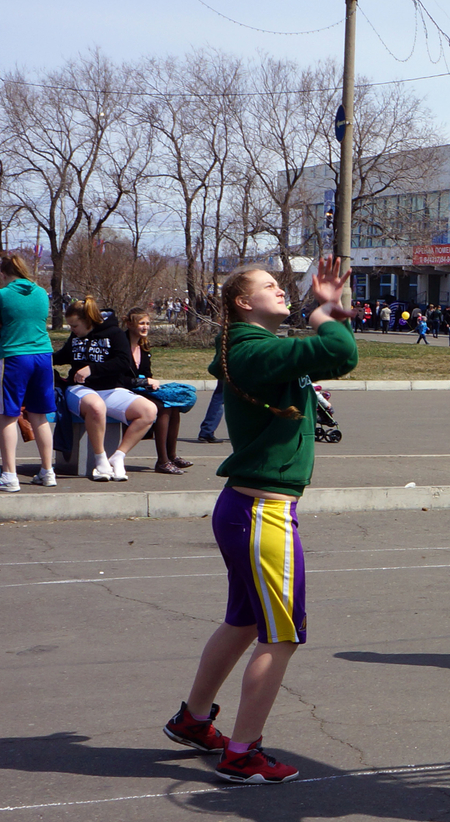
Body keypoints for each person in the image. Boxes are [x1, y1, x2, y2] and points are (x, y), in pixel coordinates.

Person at [162, 257, 357, 784]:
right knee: (283, 635)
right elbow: (342, 351)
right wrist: (325, 311)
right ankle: (242, 753)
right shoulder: (255, 350)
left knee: (246, 621)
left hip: (247, 509)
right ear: (242, 303)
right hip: (262, 513)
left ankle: (194, 720)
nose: (280, 290)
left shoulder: (252, 350)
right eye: (269, 286)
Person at [54, 297, 157, 482]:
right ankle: (100, 460)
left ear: (88, 321)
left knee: (149, 411)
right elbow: (63, 355)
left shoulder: (114, 333)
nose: (72, 330)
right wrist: (40, 359)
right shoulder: (76, 337)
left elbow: (123, 362)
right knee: (96, 406)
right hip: (80, 389)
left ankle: (118, 456)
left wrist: (92, 369)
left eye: (75, 325)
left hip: (110, 389)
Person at [0, 252, 57, 490]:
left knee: (8, 415)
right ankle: (47, 471)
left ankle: (9, 475)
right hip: (43, 356)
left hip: (15, 356)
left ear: (3, 275)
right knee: (39, 415)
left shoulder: (3, 295)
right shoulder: (41, 293)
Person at [125, 308, 191, 475]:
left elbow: (147, 374)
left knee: (173, 405)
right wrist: (144, 381)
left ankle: (172, 456)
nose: (145, 327)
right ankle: (162, 461)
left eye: (147, 323)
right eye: (141, 323)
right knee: (162, 407)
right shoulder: (122, 346)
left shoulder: (144, 347)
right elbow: (120, 377)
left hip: (140, 389)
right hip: (124, 390)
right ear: (129, 324)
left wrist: (150, 384)